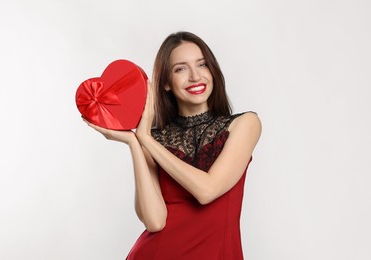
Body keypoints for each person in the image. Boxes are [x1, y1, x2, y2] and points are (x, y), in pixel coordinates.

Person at [85, 31, 261, 259]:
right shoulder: (153, 139)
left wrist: (146, 138)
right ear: (166, 82)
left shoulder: (244, 124)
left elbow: (207, 191)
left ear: (213, 71)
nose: (195, 76)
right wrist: (134, 142)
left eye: (202, 65)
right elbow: (155, 221)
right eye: (180, 69)